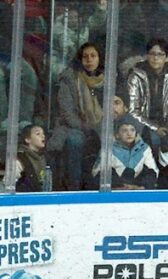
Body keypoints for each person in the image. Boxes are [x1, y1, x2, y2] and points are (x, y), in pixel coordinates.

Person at [51, 41, 104, 191]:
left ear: (100, 58)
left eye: (93, 56)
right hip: (74, 127)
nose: (89, 60)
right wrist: (86, 128)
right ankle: (74, 187)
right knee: (75, 140)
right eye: (85, 56)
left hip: (101, 127)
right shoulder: (69, 79)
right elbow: (67, 113)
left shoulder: (108, 80)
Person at [125, 38, 168, 152]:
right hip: (142, 124)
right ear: (147, 55)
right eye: (152, 54)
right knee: (154, 140)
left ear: (167, 58)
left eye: (160, 54)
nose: (156, 58)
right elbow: (133, 111)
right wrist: (156, 128)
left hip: (166, 124)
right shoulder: (136, 75)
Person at [94, 116, 159, 189]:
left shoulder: (145, 148)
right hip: (116, 190)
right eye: (125, 130)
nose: (129, 133)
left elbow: (153, 172)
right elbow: (97, 173)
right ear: (117, 135)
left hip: (139, 190)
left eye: (132, 130)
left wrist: (139, 187)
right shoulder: (108, 150)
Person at [13, 122, 49, 192]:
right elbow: (9, 183)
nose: (43, 136)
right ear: (27, 139)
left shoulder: (44, 157)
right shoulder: (21, 158)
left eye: (43, 134)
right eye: (38, 134)